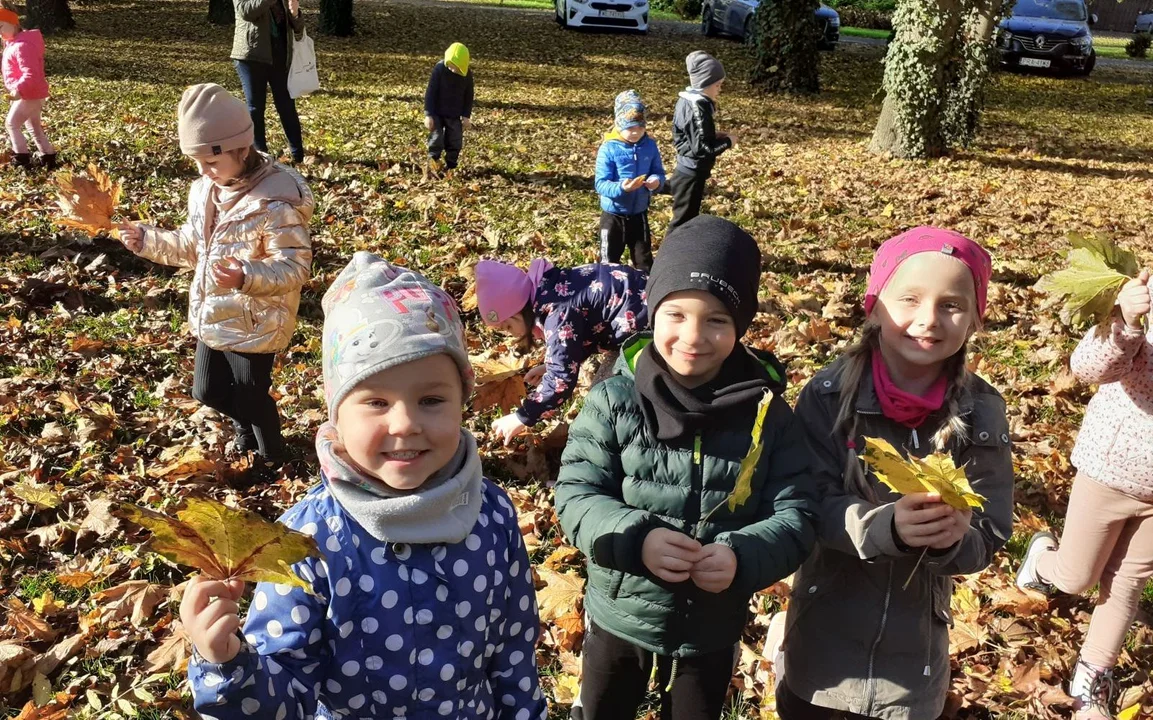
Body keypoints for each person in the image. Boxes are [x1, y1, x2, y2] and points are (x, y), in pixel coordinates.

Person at [181, 252, 547, 720]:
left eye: (432, 399)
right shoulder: (306, 541)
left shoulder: (489, 511)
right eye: (376, 401)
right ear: (337, 412)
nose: (405, 423)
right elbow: (286, 696)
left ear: (463, 401)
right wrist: (229, 663)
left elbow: (513, 646)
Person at [554, 215, 818, 720]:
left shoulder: (766, 414)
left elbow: (797, 513)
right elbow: (577, 493)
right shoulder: (614, 398)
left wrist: (742, 556)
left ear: (740, 326)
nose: (693, 336)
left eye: (717, 320)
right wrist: (636, 537)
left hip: (711, 626)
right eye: (675, 314)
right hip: (620, 614)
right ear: (653, 310)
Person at [777, 227, 1014, 720]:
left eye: (951, 305)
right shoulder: (826, 397)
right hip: (822, 659)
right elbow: (803, 502)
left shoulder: (982, 411)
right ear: (874, 305)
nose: (928, 320)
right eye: (909, 298)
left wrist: (954, 539)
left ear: (975, 319)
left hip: (914, 669)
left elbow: (990, 532)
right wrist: (883, 528)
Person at [118, 83, 313, 462]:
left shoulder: (275, 202)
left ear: (242, 149)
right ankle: (249, 433)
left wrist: (246, 275)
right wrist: (146, 240)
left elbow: (294, 266)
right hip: (212, 312)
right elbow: (193, 246)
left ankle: (273, 457)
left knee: (251, 394)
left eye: (211, 160)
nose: (204, 171)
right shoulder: (204, 192)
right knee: (206, 391)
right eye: (197, 162)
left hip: (256, 317)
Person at [1016, 270, 1153, 720]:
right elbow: (1087, 369)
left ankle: (1089, 684)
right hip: (1110, 471)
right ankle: (1041, 560)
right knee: (1076, 579)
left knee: (1126, 584)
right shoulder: (1143, 299)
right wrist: (1128, 324)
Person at [474, 257, 647, 445]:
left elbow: (561, 379)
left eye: (508, 326)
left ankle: (630, 436)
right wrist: (550, 365)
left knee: (604, 396)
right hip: (650, 305)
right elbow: (581, 333)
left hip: (651, 332)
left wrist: (522, 417)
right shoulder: (555, 286)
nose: (511, 334)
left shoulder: (557, 311)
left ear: (518, 310)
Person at [594, 89, 665, 272]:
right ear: (619, 124)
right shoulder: (608, 148)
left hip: (639, 213)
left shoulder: (649, 145)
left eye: (640, 127)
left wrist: (656, 182)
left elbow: (658, 172)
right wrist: (621, 188)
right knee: (609, 260)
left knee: (644, 259)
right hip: (613, 215)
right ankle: (608, 293)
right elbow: (600, 183)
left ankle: (645, 292)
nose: (635, 132)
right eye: (630, 128)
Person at [231, 0, 306, 163]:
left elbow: (298, 28)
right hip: (251, 56)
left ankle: (298, 155)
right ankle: (261, 155)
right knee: (256, 107)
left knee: (287, 104)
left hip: (279, 56)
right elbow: (246, 11)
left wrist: (295, 13)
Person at [668, 51, 735, 231]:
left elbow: (695, 136)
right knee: (682, 222)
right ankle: (671, 254)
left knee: (688, 217)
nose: (720, 90)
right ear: (704, 84)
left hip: (692, 169)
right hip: (691, 172)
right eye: (718, 85)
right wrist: (728, 142)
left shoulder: (692, 101)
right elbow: (702, 149)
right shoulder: (696, 107)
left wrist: (715, 135)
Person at [1, 6, 56, 170]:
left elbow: (31, 73)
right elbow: (12, 67)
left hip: (28, 94)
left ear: (14, 24)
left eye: (1, 27)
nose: (0, 34)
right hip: (32, 93)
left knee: (11, 124)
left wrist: (18, 89)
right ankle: (48, 157)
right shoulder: (14, 43)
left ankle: (21, 159)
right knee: (33, 127)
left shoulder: (23, 46)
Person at [424, 42, 474, 173]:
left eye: (456, 68)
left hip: (454, 113)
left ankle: (451, 165)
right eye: (451, 67)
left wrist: (466, 115)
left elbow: (468, 96)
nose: (453, 70)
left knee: (455, 140)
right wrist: (428, 114)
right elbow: (430, 92)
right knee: (437, 138)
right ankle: (432, 163)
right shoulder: (440, 69)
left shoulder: (467, 75)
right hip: (436, 112)